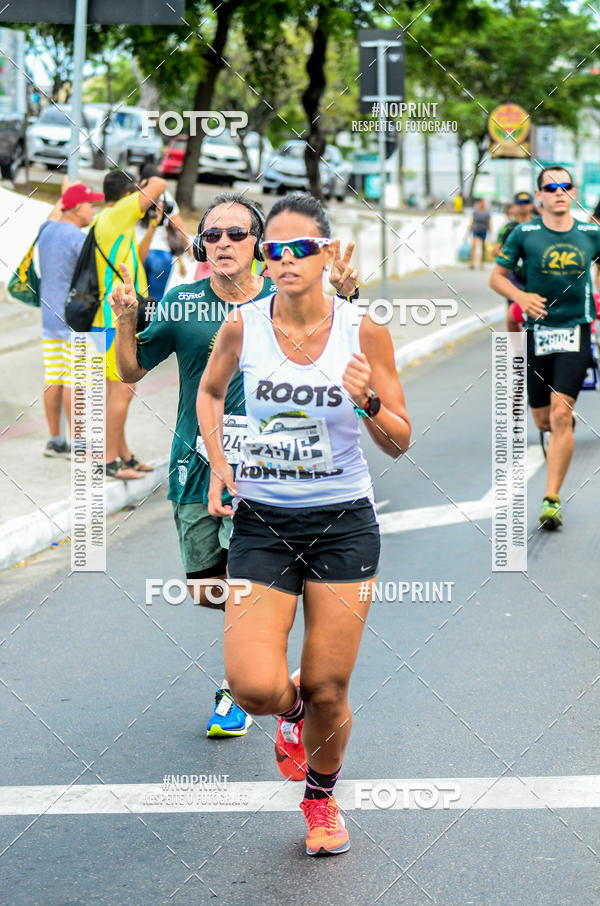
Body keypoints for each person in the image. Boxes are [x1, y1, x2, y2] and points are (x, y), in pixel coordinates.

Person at [196, 193, 411, 855]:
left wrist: (368, 400)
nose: (284, 260)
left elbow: (399, 439)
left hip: (343, 523)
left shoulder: (363, 330)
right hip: (263, 521)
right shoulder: (243, 325)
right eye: (274, 250)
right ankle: (292, 717)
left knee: (328, 686)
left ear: (325, 253)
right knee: (255, 686)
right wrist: (220, 462)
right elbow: (210, 391)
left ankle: (320, 800)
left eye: (299, 249)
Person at [109, 191, 359, 738]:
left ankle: (241, 683)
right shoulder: (182, 302)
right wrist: (126, 320)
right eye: (213, 235)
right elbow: (129, 371)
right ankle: (273, 674)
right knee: (205, 586)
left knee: (248, 581)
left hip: (271, 467)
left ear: (259, 244)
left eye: (237, 234)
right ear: (202, 244)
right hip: (196, 462)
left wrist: (349, 293)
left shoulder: (285, 296)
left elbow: (344, 336)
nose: (223, 243)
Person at [490, 165, 600, 529]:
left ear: (573, 192)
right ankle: (559, 422)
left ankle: (551, 498)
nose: (558, 192)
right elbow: (497, 277)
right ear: (539, 195)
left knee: (559, 415)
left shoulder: (590, 233)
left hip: (576, 330)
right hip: (538, 332)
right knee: (542, 419)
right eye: (550, 187)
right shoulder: (525, 234)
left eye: (565, 186)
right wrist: (521, 296)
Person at [92, 168, 166, 480]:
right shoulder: (117, 215)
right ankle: (109, 461)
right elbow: (160, 183)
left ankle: (123, 454)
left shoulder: (113, 224)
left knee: (119, 392)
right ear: (127, 196)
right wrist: (148, 185)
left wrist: (152, 226)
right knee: (123, 391)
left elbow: (140, 256)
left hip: (112, 321)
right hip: (114, 322)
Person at [37, 180, 104, 457]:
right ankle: (79, 444)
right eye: (91, 205)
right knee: (77, 381)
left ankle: (55, 440)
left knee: (54, 377)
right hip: (74, 319)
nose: (93, 212)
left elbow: (55, 213)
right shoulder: (78, 238)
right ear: (76, 208)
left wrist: (65, 191)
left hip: (48, 318)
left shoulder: (46, 230)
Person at [136, 163, 192, 302]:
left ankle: (137, 323)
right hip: (161, 255)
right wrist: (189, 247)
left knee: (136, 298)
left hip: (137, 252)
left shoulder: (136, 194)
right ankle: (151, 321)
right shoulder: (166, 196)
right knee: (155, 299)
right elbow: (178, 225)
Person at [469, 197, 490, 269]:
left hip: (484, 231)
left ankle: (482, 263)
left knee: (483, 248)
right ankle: (472, 263)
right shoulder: (475, 212)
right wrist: (469, 231)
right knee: (474, 246)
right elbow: (472, 221)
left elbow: (489, 223)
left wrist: (491, 232)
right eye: (482, 202)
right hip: (476, 230)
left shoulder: (487, 213)